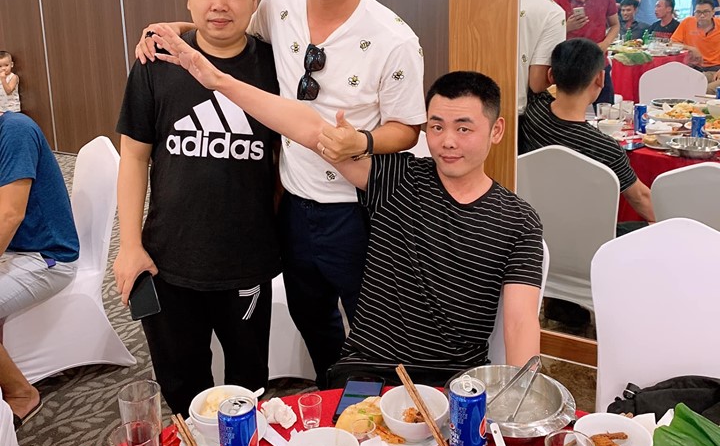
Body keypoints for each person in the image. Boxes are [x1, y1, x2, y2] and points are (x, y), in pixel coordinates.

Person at [134, 0, 426, 387]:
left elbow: (408, 129)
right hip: (292, 206)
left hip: (359, 211)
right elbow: (227, 26)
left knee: (373, 329)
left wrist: (363, 141)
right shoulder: (278, 6)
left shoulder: (394, 39)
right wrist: (174, 31)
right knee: (314, 320)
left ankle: (374, 412)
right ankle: (334, 403)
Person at [148, 26, 544, 373]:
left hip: (454, 383)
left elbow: (521, 323)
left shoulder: (518, 220)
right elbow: (308, 128)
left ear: (496, 130)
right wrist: (219, 81)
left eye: (464, 128)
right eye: (437, 127)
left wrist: (523, 401)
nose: (448, 141)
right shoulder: (400, 177)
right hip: (369, 369)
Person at [115, 0, 282, 416]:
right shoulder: (156, 63)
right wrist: (129, 245)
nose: (219, 4)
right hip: (168, 260)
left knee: (248, 387)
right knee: (181, 386)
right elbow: (134, 158)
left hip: (246, 261)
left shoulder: (274, 66)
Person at [520, 39, 656, 225]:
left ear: (551, 76)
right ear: (600, 78)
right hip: (590, 233)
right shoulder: (606, 148)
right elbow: (641, 198)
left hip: (531, 224)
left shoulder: (533, 110)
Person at [0, 112, 79, 426]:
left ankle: (21, 394)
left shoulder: (15, 131)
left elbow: (10, 215)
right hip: (15, 250)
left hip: (47, 257)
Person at [553, 0, 619, 105]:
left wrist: (605, 44)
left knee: (605, 111)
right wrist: (566, 27)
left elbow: (615, 25)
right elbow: (551, 34)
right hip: (570, 66)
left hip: (599, 64)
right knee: (570, 112)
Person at [670, 0, 720, 76]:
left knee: (701, 82)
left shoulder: (718, 24)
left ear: (713, 12)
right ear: (694, 12)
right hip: (692, 67)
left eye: (706, 12)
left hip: (715, 68)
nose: (702, 15)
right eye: (698, 12)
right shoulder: (687, 22)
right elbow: (672, 43)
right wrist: (692, 49)